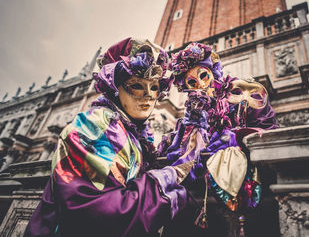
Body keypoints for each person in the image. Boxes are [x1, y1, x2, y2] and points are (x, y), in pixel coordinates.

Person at [24, 37, 190, 237]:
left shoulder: (129, 131)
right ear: (114, 87)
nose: (147, 95)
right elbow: (92, 213)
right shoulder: (98, 126)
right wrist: (169, 181)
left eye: (154, 87)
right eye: (136, 85)